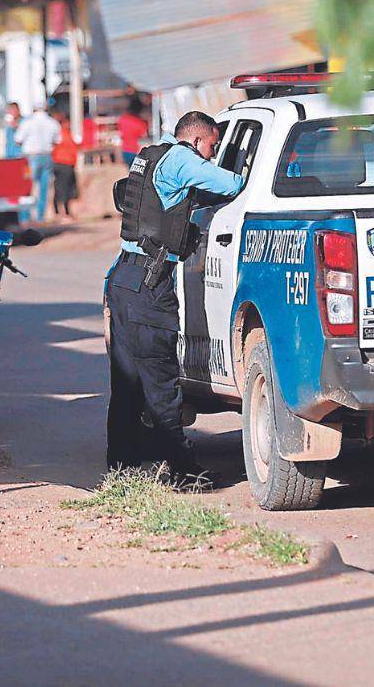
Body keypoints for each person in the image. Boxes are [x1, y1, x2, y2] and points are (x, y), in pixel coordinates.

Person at [105, 111, 243, 482]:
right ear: (196, 140)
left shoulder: (149, 155)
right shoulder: (182, 159)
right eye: (211, 147)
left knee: (128, 384)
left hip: (123, 279)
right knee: (162, 383)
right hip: (149, 285)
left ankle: (121, 469)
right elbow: (232, 184)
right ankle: (183, 471)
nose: (210, 156)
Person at [14, 102, 60, 222]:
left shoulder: (27, 123)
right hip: (47, 156)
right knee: (44, 189)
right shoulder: (53, 123)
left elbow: (18, 140)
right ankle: (40, 217)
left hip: (30, 157)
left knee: (27, 188)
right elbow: (57, 141)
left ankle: (25, 217)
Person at [50, 109, 82, 219]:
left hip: (65, 163)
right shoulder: (62, 134)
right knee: (63, 188)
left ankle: (61, 211)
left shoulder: (65, 134)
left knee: (62, 187)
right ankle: (63, 211)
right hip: (63, 163)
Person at [116, 95, 148, 167]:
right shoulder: (140, 123)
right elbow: (143, 137)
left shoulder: (123, 119)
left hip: (125, 150)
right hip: (137, 151)